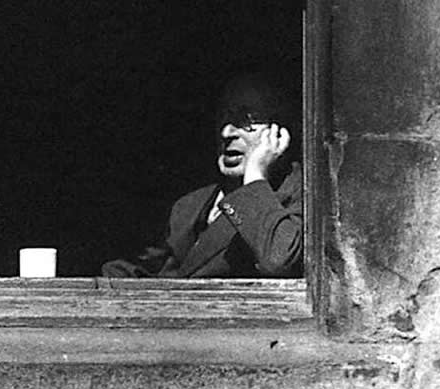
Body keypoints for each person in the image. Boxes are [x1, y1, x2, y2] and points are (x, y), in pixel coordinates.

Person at [101, 71, 303, 279]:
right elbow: (148, 270)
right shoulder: (189, 206)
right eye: (224, 116)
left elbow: (278, 260)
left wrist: (254, 176)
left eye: (246, 120)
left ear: (280, 132)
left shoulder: (303, 195)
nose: (226, 133)